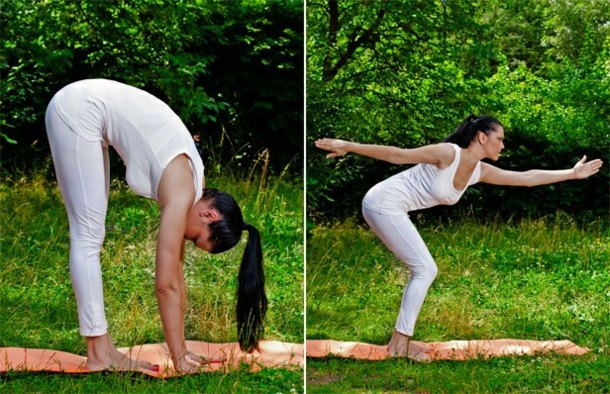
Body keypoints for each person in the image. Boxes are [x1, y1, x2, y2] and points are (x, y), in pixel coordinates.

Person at [315, 114, 603, 361]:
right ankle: (398, 346)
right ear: (481, 137)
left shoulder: (479, 171)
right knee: (425, 269)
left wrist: (571, 174)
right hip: (381, 203)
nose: (503, 145)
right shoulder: (447, 153)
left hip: (393, 208)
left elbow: (526, 178)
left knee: (424, 269)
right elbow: (398, 154)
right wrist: (348, 146)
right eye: (499, 138)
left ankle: (399, 343)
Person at [45, 79, 267, 373]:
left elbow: (176, 277)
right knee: (88, 236)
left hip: (87, 109)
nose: (186, 240)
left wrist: (183, 351)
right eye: (195, 239)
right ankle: (99, 355)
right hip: (78, 107)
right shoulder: (183, 194)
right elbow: (165, 285)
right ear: (209, 216)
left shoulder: (193, 183)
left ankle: (104, 349)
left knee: (90, 236)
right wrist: (178, 359)